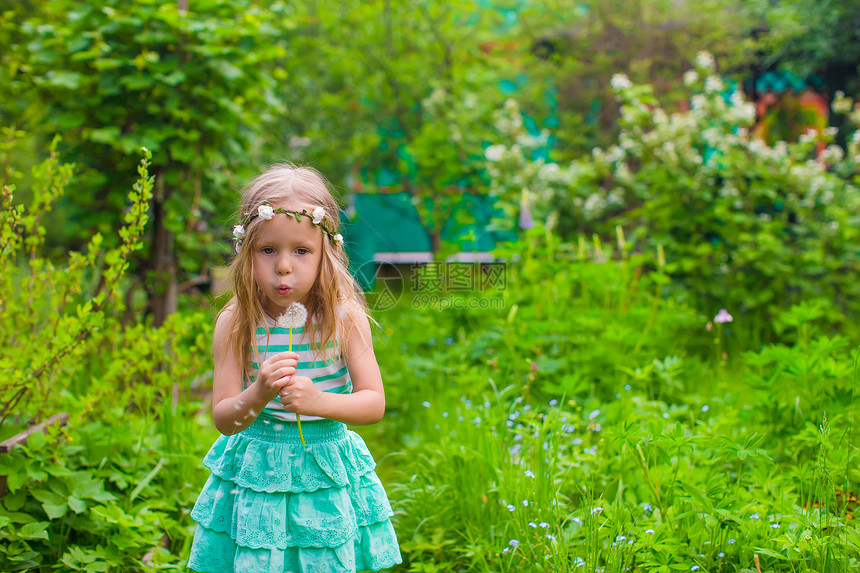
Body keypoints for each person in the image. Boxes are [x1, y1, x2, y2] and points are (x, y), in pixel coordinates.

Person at [187, 164, 402, 573]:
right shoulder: (236, 322)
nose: (284, 266)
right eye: (268, 250)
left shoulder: (344, 317)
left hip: (324, 468)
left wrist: (320, 401)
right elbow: (224, 418)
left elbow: (373, 404)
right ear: (247, 252)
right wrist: (258, 394)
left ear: (327, 254)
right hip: (258, 473)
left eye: (301, 251)